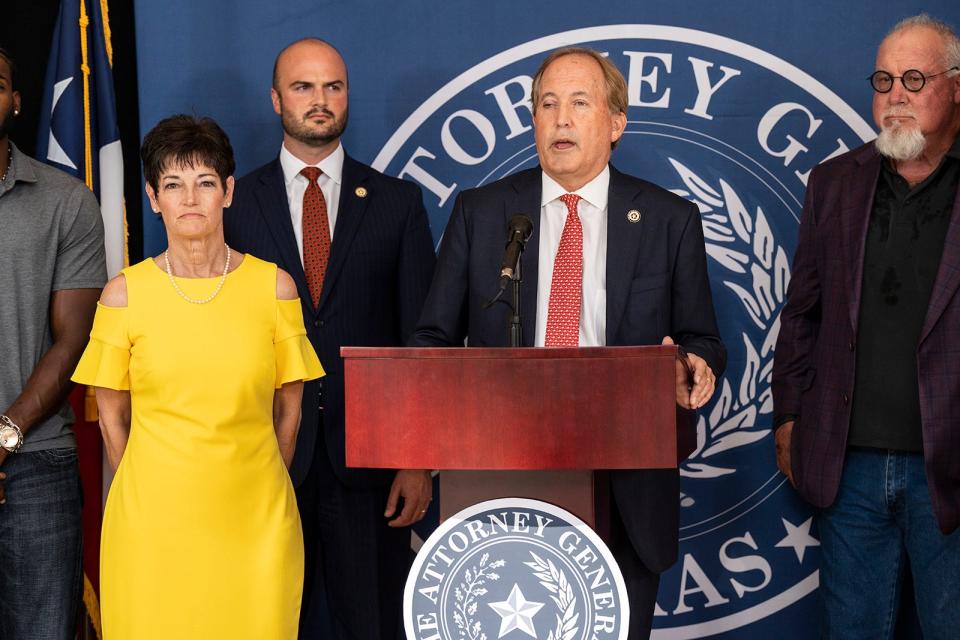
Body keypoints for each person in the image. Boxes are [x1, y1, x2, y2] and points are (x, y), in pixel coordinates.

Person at [411, 46, 725, 639]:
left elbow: (701, 338)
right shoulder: (483, 215)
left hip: (625, 480)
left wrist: (695, 367)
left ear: (615, 123)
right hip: (504, 475)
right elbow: (432, 338)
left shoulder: (668, 219)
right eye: (547, 104)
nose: (560, 119)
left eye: (579, 103)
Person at [72, 115, 323, 639]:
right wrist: (150, 487)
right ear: (152, 196)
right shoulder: (123, 294)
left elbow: (290, 411)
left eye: (205, 182)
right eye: (173, 184)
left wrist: (259, 483)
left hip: (256, 523)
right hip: (151, 527)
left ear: (227, 192)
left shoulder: (273, 288)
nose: (190, 198)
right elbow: (111, 419)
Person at [224, 38, 436, 639]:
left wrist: (417, 462)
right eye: (303, 87)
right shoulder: (235, 207)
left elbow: (419, 342)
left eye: (333, 87)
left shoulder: (396, 203)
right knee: (261, 622)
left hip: (368, 468)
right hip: (263, 461)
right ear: (275, 99)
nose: (321, 101)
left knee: (372, 624)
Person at [772, 14, 960, 638]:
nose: (896, 95)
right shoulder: (833, 183)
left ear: (956, 87)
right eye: (884, 80)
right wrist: (789, 418)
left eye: (914, 78)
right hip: (847, 467)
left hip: (950, 470)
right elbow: (803, 313)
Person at [0, 47, 105, 640]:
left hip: (35, 465)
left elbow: (74, 341)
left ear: (16, 101)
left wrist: (3, 437)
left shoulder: (67, 201)